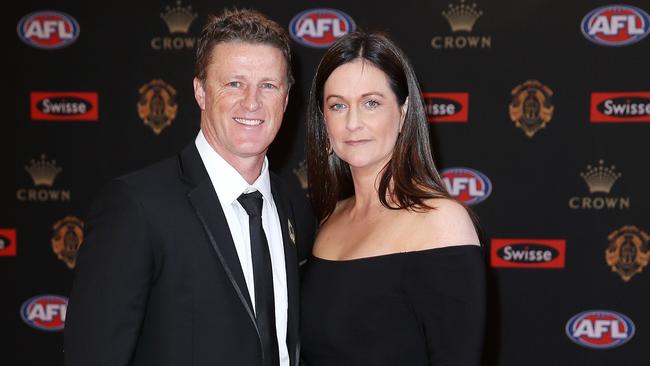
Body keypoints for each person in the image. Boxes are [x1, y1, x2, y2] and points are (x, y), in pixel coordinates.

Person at [64, 8, 314, 366]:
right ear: (200, 91)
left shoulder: (294, 204)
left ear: (286, 99)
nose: (252, 102)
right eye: (234, 83)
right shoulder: (136, 208)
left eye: (268, 86)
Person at [301, 31, 486, 365]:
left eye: (371, 103)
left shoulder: (440, 221)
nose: (353, 122)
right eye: (338, 106)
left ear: (402, 114)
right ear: (324, 122)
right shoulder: (328, 220)